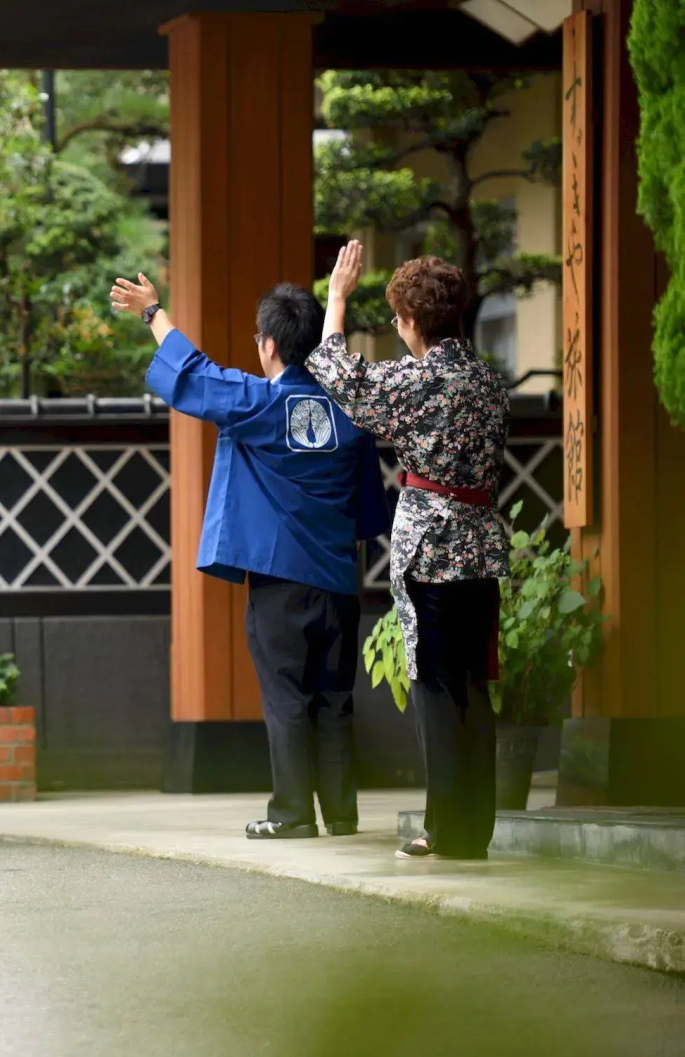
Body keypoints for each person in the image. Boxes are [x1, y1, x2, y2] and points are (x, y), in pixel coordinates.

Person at [110, 273, 387, 840]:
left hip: (280, 582)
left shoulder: (260, 403)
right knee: (334, 700)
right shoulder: (351, 416)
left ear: (268, 344)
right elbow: (367, 507)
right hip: (338, 580)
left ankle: (290, 815)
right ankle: (340, 814)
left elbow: (194, 375)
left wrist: (152, 313)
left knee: (286, 698)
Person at [307, 241, 510, 860]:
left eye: (398, 320)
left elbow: (336, 371)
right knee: (474, 687)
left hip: (432, 550)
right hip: (480, 544)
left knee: (439, 692)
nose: (398, 331)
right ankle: (472, 827)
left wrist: (337, 298)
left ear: (415, 323)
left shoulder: (418, 381)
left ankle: (446, 831)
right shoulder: (489, 382)